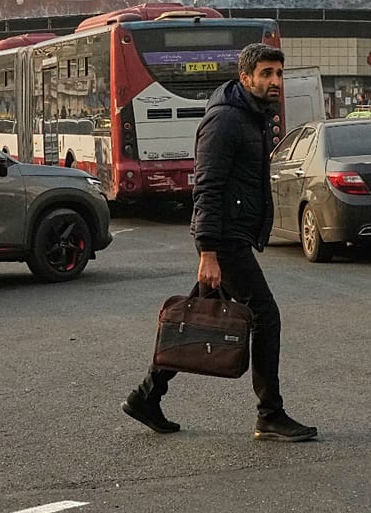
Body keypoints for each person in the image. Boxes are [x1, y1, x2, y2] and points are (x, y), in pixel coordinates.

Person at [123, 43, 317, 442]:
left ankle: (147, 395)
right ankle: (270, 414)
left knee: (192, 315)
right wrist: (208, 251)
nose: (274, 82)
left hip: (233, 236)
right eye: (266, 74)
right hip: (224, 240)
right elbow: (207, 187)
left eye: (278, 74)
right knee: (266, 316)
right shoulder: (226, 120)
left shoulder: (254, 116)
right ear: (245, 77)